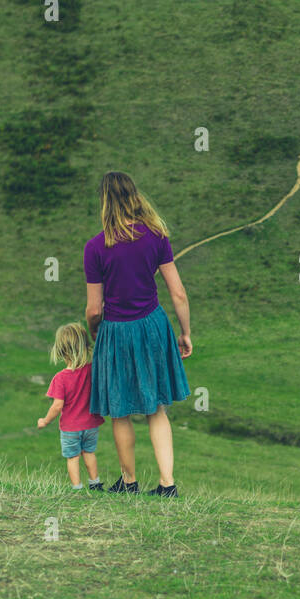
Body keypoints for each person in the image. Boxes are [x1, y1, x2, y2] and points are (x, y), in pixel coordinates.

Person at [85, 171, 191, 497]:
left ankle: (128, 482)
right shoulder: (156, 236)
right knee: (156, 408)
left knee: (119, 410)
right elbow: (178, 294)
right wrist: (185, 332)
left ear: (105, 201)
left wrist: (95, 333)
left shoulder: (95, 248)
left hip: (116, 332)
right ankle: (167, 484)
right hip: (152, 326)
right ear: (134, 195)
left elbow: (93, 309)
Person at [38, 322, 106, 490]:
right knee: (89, 453)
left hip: (70, 428)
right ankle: (95, 483)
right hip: (91, 424)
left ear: (61, 350)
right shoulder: (91, 370)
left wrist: (45, 421)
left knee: (73, 457)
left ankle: (77, 488)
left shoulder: (60, 378)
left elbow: (57, 406)